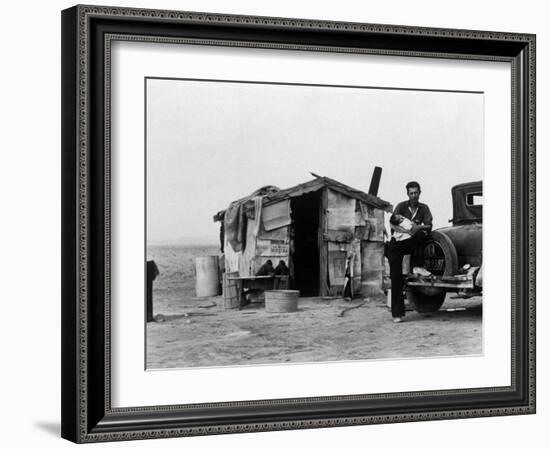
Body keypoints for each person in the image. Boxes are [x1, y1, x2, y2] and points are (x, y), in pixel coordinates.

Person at [388, 181, 433, 323]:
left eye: (416, 193)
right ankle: (397, 313)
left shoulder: (424, 208)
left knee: (422, 234)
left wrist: (417, 228)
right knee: (396, 277)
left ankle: (417, 266)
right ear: (407, 194)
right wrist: (408, 230)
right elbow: (392, 225)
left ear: (420, 193)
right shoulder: (400, 207)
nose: (414, 196)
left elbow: (429, 226)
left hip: (413, 243)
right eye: (411, 193)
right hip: (398, 244)